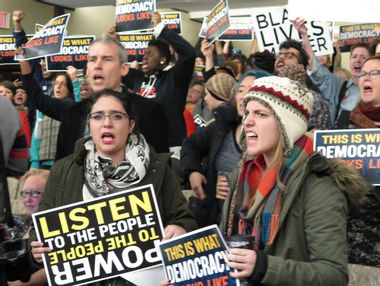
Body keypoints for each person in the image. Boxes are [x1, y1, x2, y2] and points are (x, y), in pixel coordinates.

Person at [28, 89, 196, 285]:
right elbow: (41, 225)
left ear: (131, 124)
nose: (107, 123)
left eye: (117, 116)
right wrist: (36, 249)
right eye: (98, 116)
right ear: (89, 124)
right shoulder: (63, 169)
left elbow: (185, 219)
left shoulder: (157, 169)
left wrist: (180, 228)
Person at [218, 76, 368, 285]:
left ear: (286, 124)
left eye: (261, 114)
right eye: (247, 112)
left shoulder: (319, 184)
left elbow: (333, 275)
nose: (248, 121)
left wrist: (264, 267)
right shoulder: (240, 176)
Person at [19, 33, 169, 159]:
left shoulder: (150, 111)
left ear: (124, 69)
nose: (98, 65)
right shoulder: (72, 113)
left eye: (107, 59)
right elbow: (36, 97)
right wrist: (23, 59)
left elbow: (160, 168)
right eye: (92, 59)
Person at [181, 71, 270, 227]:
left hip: (252, 228)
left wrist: (238, 188)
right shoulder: (221, 127)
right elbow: (191, 145)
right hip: (214, 222)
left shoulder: (273, 139)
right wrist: (193, 171)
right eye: (240, 90)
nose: (244, 96)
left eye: (252, 90)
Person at [333, 57, 380, 283]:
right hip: (347, 248)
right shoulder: (344, 121)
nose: (366, 77)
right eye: (362, 75)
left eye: (375, 73)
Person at [122, 11, 195, 154]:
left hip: (170, 148)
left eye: (150, 54)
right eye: (144, 53)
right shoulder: (137, 78)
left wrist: (161, 29)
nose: (144, 57)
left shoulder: (174, 78)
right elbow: (114, 68)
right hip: (139, 147)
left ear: (162, 59)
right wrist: (111, 38)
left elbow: (189, 53)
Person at [292, 17, 370, 123]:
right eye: (354, 56)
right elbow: (313, 66)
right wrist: (304, 35)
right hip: (339, 137)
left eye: (363, 57)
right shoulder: (339, 86)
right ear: (350, 61)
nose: (358, 60)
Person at [274, 39, 332, 129]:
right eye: (279, 55)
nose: (281, 58)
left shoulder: (313, 101)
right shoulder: (266, 92)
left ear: (301, 67)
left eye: (289, 56)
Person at [8, 169, 49, 286]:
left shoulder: (55, 225)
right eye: (24, 193)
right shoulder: (23, 223)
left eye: (34, 193)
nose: (27, 199)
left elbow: (56, 267)